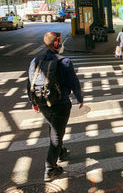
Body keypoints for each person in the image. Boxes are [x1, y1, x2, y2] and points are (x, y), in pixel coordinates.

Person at [27, 32, 83, 182]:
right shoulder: (64, 61)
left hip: (43, 103)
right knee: (57, 135)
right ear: (57, 44)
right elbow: (73, 82)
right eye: (60, 42)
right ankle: (50, 169)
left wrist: (33, 102)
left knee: (53, 127)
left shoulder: (35, 60)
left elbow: (29, 83)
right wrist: (80, 98)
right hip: (61, 104)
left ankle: (61, 152)